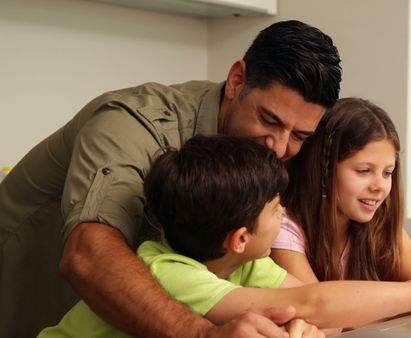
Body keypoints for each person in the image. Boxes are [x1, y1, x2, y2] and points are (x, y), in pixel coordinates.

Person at [0, 20, 341, 338]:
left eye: (299, 135)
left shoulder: (267, 150)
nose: (280, 147)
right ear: (237, 80)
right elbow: (89, 255)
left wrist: (292, 318)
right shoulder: (132, 124)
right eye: (269, 120)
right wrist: (203, 334)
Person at [39, 135, 411, 338]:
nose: (285, 217)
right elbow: (315, 303)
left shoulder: (248, 264)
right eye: (277, 210)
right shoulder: (169, 273)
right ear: (240, 237)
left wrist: (305, 323)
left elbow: (320, 304)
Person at [271, 98, 411, 316]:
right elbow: (325, 316)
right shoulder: (283, 229)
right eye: (363, 171)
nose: (379, 186)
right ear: (323, 171)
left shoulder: (379, 225)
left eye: (387, 173)